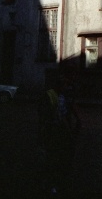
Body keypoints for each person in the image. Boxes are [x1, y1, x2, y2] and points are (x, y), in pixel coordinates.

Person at [38, 67, 81, 195]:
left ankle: (52, 180)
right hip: (54, 130)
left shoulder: (58, 94)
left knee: (54, 156)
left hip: (54, 130)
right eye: (65, 84)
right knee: (54, 156)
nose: (67, 86)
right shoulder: (56, 96)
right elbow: (58, 116)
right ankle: (52, 182)